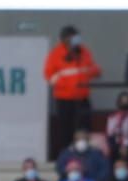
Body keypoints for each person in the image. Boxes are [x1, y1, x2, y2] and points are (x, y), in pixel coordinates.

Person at [44, 26, 101, 159]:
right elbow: (49, 76)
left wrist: (91, 71)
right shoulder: (55, 54)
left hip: (82, 97)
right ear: (64, 39)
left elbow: (94, 70)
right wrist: (67, 82)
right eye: (71, 38)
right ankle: (66, 157)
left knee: (85, 127)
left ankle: (85, 155)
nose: (74, 41)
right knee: (65, 130)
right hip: (64, 98)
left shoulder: (84, 52)